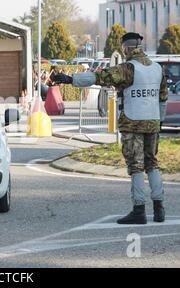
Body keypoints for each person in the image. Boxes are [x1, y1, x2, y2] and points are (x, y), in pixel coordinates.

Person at [50, 32, 168, 225]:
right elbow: (163, 97)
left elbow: (99, 77)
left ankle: (139, 210)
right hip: (153, 122)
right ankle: (159, 209)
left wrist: (71, 80)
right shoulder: (157, 69)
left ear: (127, 48)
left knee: (136, 167)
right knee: (152, 164)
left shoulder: (127, 68)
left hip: (132, 122)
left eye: (124, 49)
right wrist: (160, 121)